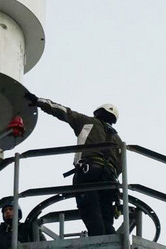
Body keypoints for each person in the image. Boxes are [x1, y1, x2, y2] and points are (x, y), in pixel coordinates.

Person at [25, 94, 122, 237]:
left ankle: (98, 246)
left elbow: (63, 111)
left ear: (98, 113)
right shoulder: (118, 140)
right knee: (106, 218)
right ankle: (112, 246)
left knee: (91, 212)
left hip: (89, 172)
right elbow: (120, 166)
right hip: (110, 180)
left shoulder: (88, 122)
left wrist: (39, 101)